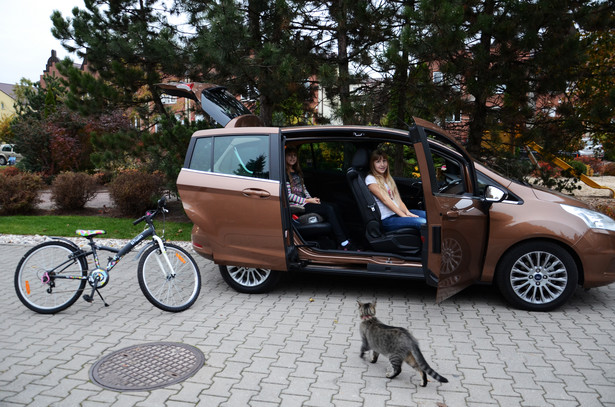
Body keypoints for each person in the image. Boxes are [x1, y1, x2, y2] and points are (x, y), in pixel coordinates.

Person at [285, 146, 355, 250]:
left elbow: (304, 190)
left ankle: (347, 237)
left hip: (306, 202)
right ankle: (343, 242)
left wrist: (312, 199)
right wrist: (307, 201)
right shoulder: (285, 174)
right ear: (285, 157)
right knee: (328, 209)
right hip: (298, 206)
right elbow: (288, 195)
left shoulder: (297, 172)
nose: (292, 158)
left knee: (335, 206)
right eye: (290, 155)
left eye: (294, 155)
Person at [365, 150, 426, 232]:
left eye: (384, 161)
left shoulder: (387, 178)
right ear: (372, 164)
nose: (382, 164)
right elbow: (385, 200)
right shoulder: (370, 179)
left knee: (429, 216)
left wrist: (407, 212)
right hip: (386, 219)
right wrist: (403, 216)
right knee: (423, 222)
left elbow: (398, 200)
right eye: (378, 162)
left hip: (396, 214)